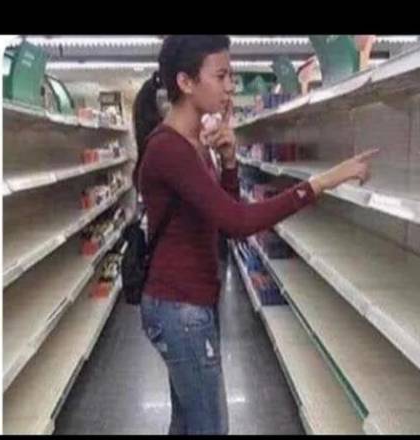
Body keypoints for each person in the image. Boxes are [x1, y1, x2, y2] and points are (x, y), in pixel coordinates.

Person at [133, 35, 379, 435]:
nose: (231, 86)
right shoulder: (169, 150)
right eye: (221, 76)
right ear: (186, 82)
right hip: (179, 308)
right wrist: (320, 182)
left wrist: (230, 161)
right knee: (210, 427)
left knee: (188, 422)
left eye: (231, 75)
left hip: (190, 302)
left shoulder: (193, 144)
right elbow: (238, 221)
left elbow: (223, 219)